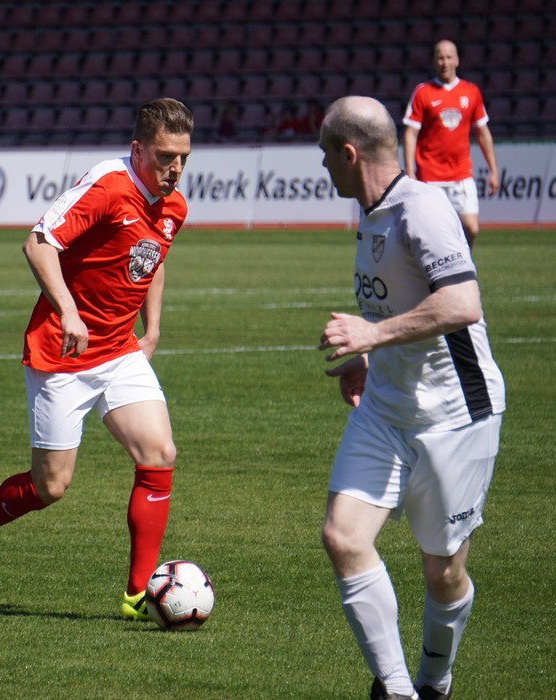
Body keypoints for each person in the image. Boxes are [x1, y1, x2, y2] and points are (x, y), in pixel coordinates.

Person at [0, 98, 193, 620]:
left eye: (184, 157)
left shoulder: (174, 206)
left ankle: (138, 594)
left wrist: (155, 328)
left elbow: (153, 260)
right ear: (137, 148)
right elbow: (37, 244)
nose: (176, 169)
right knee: (50, 486)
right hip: (63, 351)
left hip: (119, 350)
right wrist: (70, 312)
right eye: (166, 156)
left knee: (159, 452)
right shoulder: (107, 185)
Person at [317, 96, 505, 700]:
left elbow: (461, 305)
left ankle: (435, 681)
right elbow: (397, 304)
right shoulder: (371, 212)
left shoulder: (421, 208)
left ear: (350, 153)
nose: (324, 168)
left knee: (442, 569)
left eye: (327, 155)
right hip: (385, 411)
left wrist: (370, 333)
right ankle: (397, 691)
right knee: (343, 537)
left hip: (454, 416)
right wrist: (368, 359)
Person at [402, 40, 500, 249]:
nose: (444, 62)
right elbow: (410, 134)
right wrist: (410, 172)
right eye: (440, 57)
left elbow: (482, 133)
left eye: (448, 57)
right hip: (430, 175)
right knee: (431, 233)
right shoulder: (423, 92)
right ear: (434, 61)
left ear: (457, 60)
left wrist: (493, 169)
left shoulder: (471, 91)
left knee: (471, 228)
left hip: (461, 174)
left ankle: (461, 264)